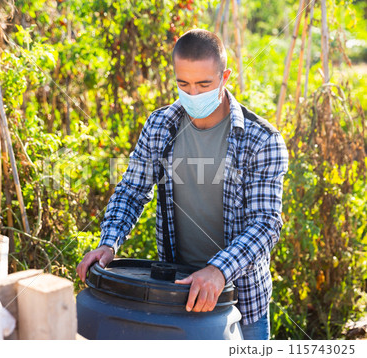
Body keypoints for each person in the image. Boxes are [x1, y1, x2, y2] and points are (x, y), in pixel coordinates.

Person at [77, 29, 289, 340]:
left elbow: (265, 223)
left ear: (225, 76)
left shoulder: (262, 140)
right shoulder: (160, 125)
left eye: (204, 84)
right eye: (183, 84)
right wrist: (109, 242)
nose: (192, 94)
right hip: (174, 294)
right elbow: (132, 190)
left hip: (241, 300)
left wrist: (218, 270)